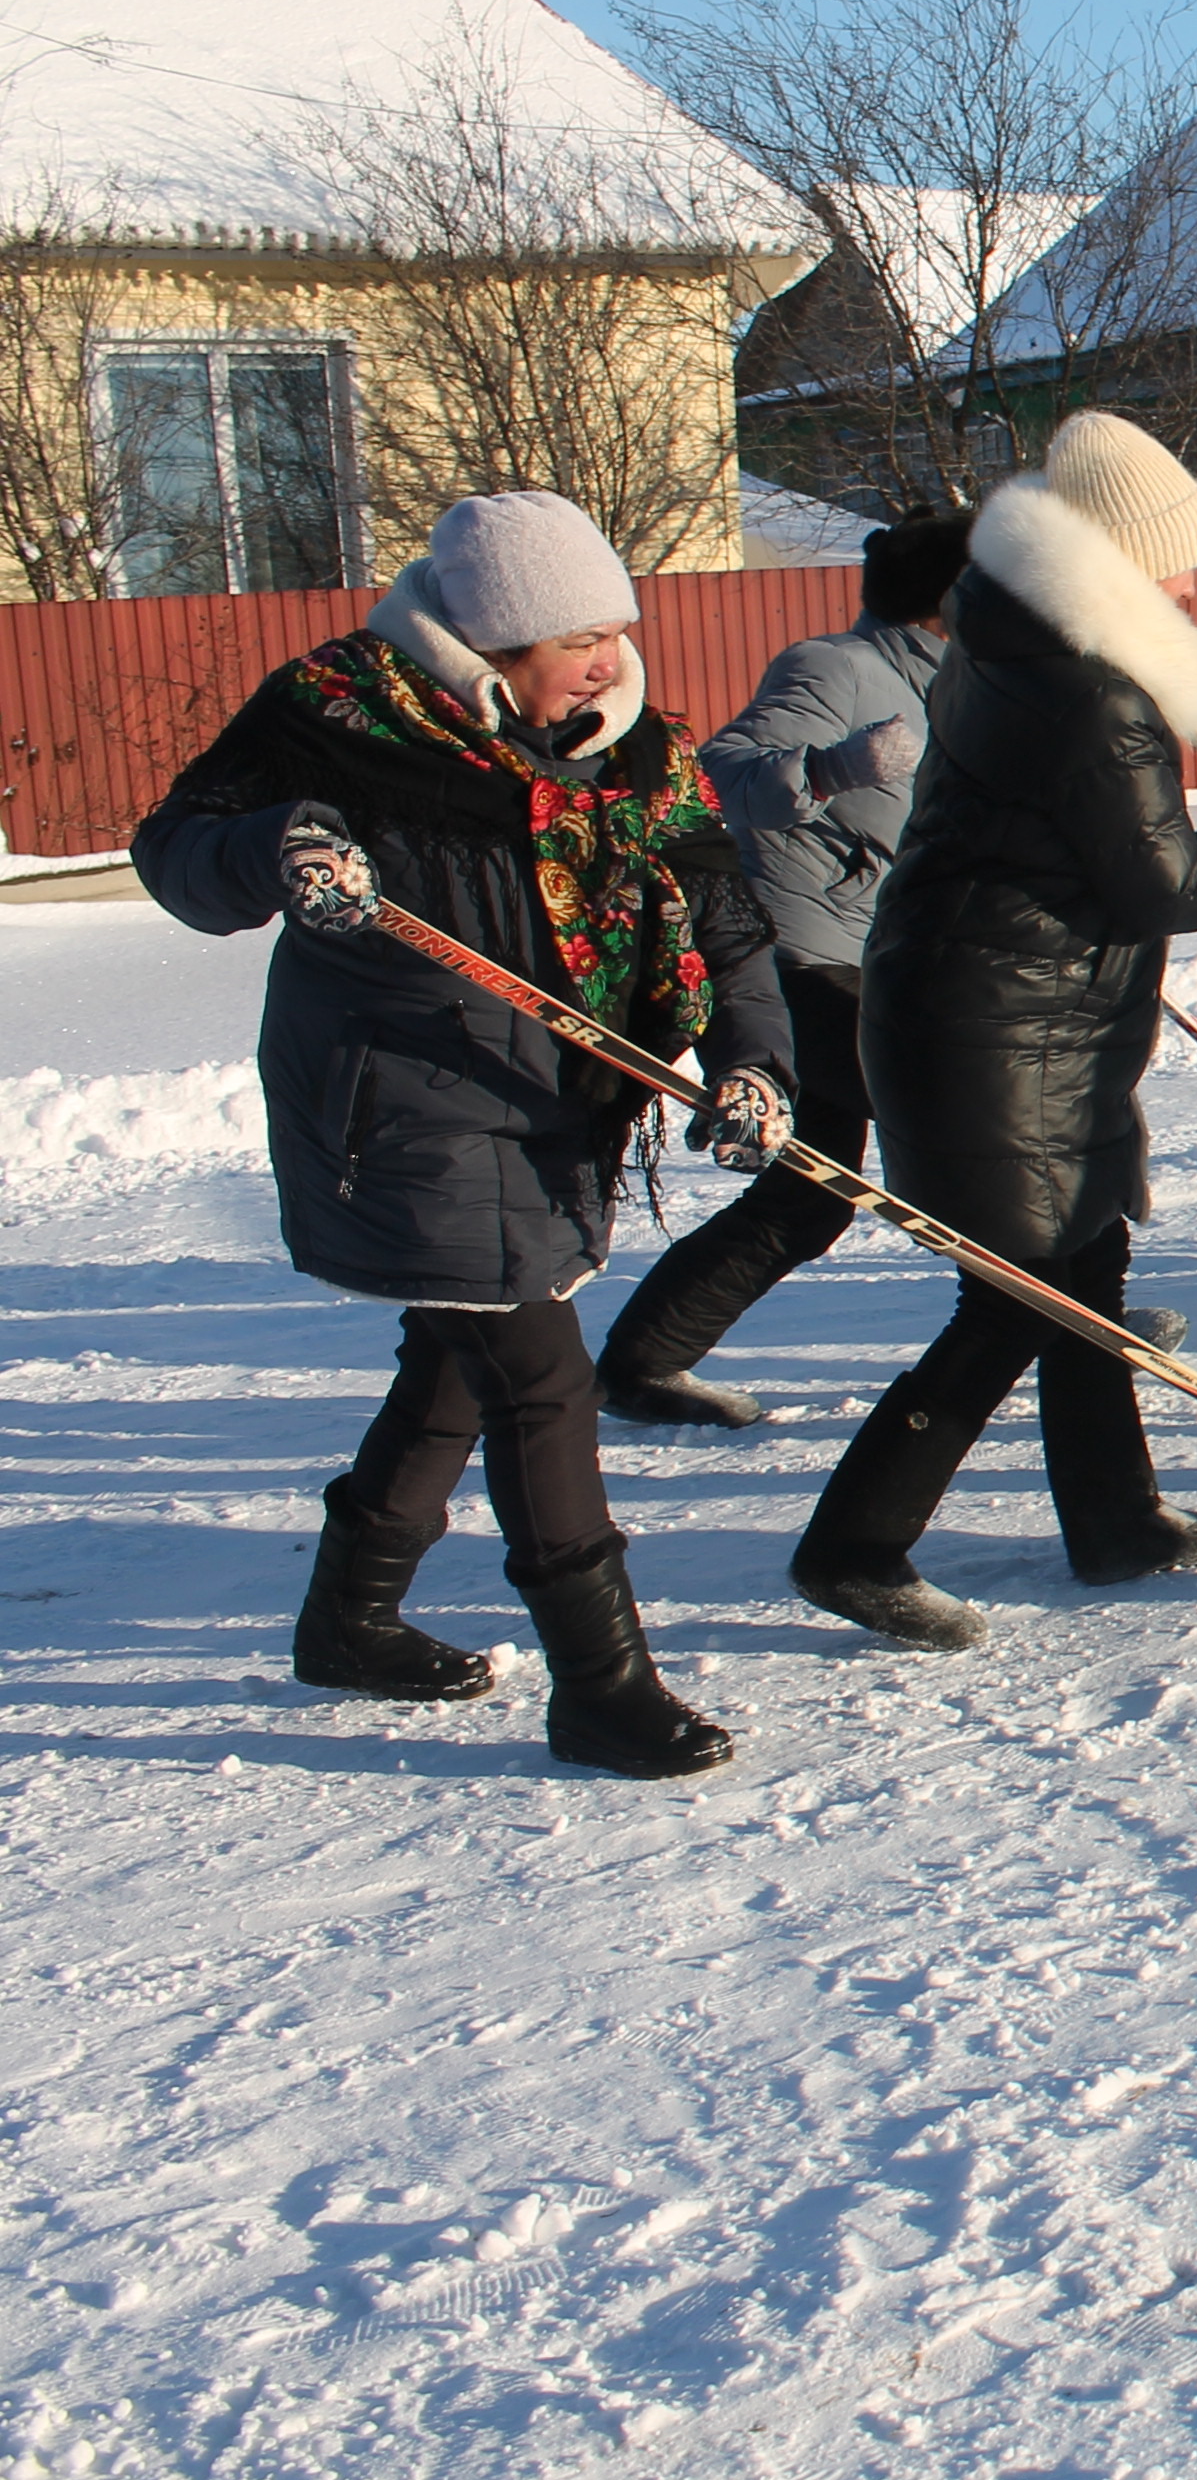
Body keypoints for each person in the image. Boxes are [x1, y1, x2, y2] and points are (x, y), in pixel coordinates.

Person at [131, 489, 790, 1777]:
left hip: (556, 1104)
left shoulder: (635, 748)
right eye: (573, 638)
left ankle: (349, 1619)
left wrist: (756, 1062)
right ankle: (602, 1687)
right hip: (399, 1097)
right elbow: (177, 851)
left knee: (458, 1355)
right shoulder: (339, 717)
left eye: (613, 628)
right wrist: (281, 847)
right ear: (490, 647)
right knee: (538, 1377)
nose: (605, 659)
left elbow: (719, 910)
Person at [784, 414, 1197, 1651]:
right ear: (1115, 566)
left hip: (1007, 1015)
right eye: (1174, 564)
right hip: (991, 1033)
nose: (1192, 587)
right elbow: (1162, 886)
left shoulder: (1014, 635)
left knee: (1086, 1274)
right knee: (1019, 1301)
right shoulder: (1089, 688)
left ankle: (1118, 1523)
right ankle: (853, 1547)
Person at [590, 509, 966, 1427]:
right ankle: (1068, 1312)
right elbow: (722, 771)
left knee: (809, 1196)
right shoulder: (838, 667)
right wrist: (839, 766)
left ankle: (642, 1363)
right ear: (952, 596)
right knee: (962, 1125)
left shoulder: (966, 686)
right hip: (795, 959)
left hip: (867, 953)